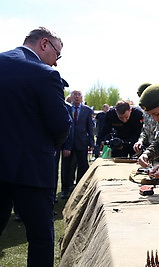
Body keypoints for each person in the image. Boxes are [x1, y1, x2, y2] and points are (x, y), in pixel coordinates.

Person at [0, 27, 71, 267]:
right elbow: (61, 124)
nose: (56, 63)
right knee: (40, 237)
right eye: (57, 55)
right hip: (31, 169)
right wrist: (50, 146)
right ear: (44, 44)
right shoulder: (44, 74)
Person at [61, 90, 94, 198]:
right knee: (67, 167)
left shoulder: (87, 110)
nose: (77, 97)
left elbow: (90, 127)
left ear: (82, 97)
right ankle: (65, 189)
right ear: (70, 97)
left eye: (79, 94)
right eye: (74, 94)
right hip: (68, 144)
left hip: (82, 142)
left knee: (83, 166)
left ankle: (80, 189)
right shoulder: (66, 108)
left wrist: (91, 143)